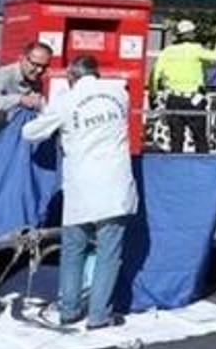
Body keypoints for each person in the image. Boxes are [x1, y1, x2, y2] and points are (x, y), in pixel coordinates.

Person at [22, 56, 137, 329]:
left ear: (72, 77)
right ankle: (99, 316)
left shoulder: (65, 101)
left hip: (81, 187)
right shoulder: (119, 94)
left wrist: (40, 107)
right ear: (96, 73)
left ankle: (69, 310)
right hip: (115, 184)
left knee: (73, 250)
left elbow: (31, 133)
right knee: (109, 253)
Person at [149, 20, 216, 153]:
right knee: (199, 136)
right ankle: (202, 165)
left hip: (173, 98)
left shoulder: (167, 51)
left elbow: (155, 74)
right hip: (194, 99)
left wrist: (152, 94)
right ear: (191, 34)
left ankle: (176, 166)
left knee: (176, 137)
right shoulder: (196, 49)